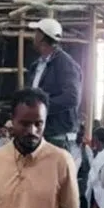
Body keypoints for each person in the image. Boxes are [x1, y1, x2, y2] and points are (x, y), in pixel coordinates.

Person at [26, 17, 83, 171]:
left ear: (43, 38)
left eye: (36, 33)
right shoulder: (36, 66)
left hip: (58, 137)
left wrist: (39, 110)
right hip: (41, 135)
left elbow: (71, 97)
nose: (33, 36)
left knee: (56, 186)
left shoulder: (65, 64)